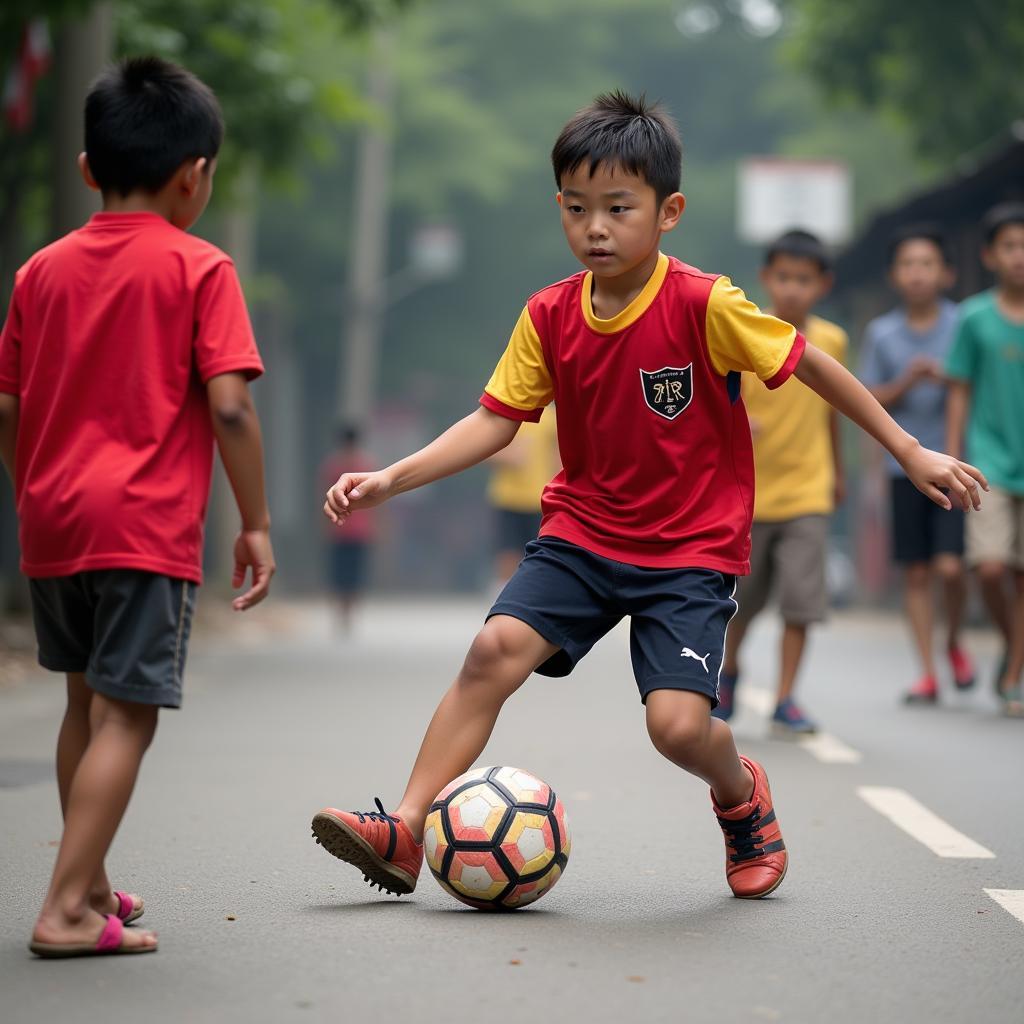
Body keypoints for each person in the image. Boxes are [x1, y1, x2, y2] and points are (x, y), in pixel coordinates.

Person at [309, 92, 986, 903]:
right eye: (577, 207)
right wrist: (390, 476)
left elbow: (812, 364)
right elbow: (494, 421)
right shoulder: (549, 315)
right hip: (583, 535)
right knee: (491, 653)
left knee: (675, 730)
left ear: (668, 213)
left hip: (689, 551)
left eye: (618, 208)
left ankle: (741, 797)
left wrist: (909, 449)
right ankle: (408, 828)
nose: (596, 226)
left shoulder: (705, 303)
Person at [0, 57, 274, 958]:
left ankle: (94, 882)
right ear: (196, 176)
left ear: (88, 168)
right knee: (129, 715)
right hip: (142, 527)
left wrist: (30, 490)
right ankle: (64, 909)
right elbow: (230, 404)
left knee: (85, 703)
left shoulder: (39, 271)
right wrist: (257, 523)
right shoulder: (201, 267)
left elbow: (8, 407)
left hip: (53, 518)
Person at [716, 230, 847, 735]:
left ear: (822, 285)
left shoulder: (832, 340)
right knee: (741, 603)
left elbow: (836, 406)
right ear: (767, 279)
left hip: (808, 490)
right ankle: (729, 671)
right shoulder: (747, 333)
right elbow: (720, 396)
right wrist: (736, 421)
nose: (793, 288)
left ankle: (786, 697)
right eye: (784, 277)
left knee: (801, 601)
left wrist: (836, 470)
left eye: (804, 280)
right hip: (747, 494)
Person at [859, 224, 974, 704]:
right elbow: (865, 397)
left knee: (951, 567)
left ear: (945, 273)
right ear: (894, 275)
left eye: (926, 264)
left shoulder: (963, 324)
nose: (917, 274)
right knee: (918, 572)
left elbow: (971, 384)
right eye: (908, 265)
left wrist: (945, 377)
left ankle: (952, 642)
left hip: (958, 464)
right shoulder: (882, 333)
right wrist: (907, 382)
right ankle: (927, 670)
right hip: (901, 469)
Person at [946, 202, 1024, 717]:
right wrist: (950, 461)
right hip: (991, 462)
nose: (1020, 256)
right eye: (1010, 246)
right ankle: (1014, 647)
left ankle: (1013, 665)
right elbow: (959, 391)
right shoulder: (974, 318)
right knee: (991, 569)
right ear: (990, 255)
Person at [486, 406, 559, 583]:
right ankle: (502, 596)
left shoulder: (550, 417)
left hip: (540, 500)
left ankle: (538, 596)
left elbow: (560, 455)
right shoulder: (506, 414)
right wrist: (508, 456)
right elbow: (485, 451)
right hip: (507, 498)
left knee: (541, 554)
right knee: (507, 553)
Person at [319, 425, 377, 631]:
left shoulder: (335, 465)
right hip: (347, 531)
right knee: (345, 574)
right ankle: (345, 613)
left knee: (348, 574)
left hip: (349, 530)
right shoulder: (363, 465)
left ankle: (346, 613)